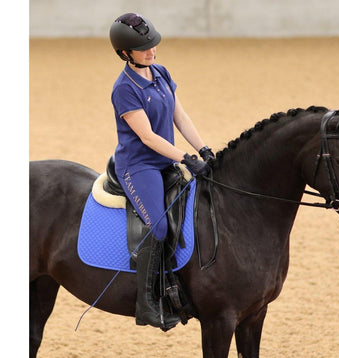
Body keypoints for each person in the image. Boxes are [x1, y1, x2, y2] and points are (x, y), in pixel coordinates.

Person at [109, 13, 214, 329]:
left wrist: (203, 149)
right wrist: (185, 158)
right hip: (139, 165)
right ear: (126, 53)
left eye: (153, 45)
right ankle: (147, 305)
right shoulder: (124, 89)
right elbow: (148, 137)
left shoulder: (161, 72)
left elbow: (179, 117)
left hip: (166, 160)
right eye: (144, 49)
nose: (152, 52)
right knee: (157, 226)